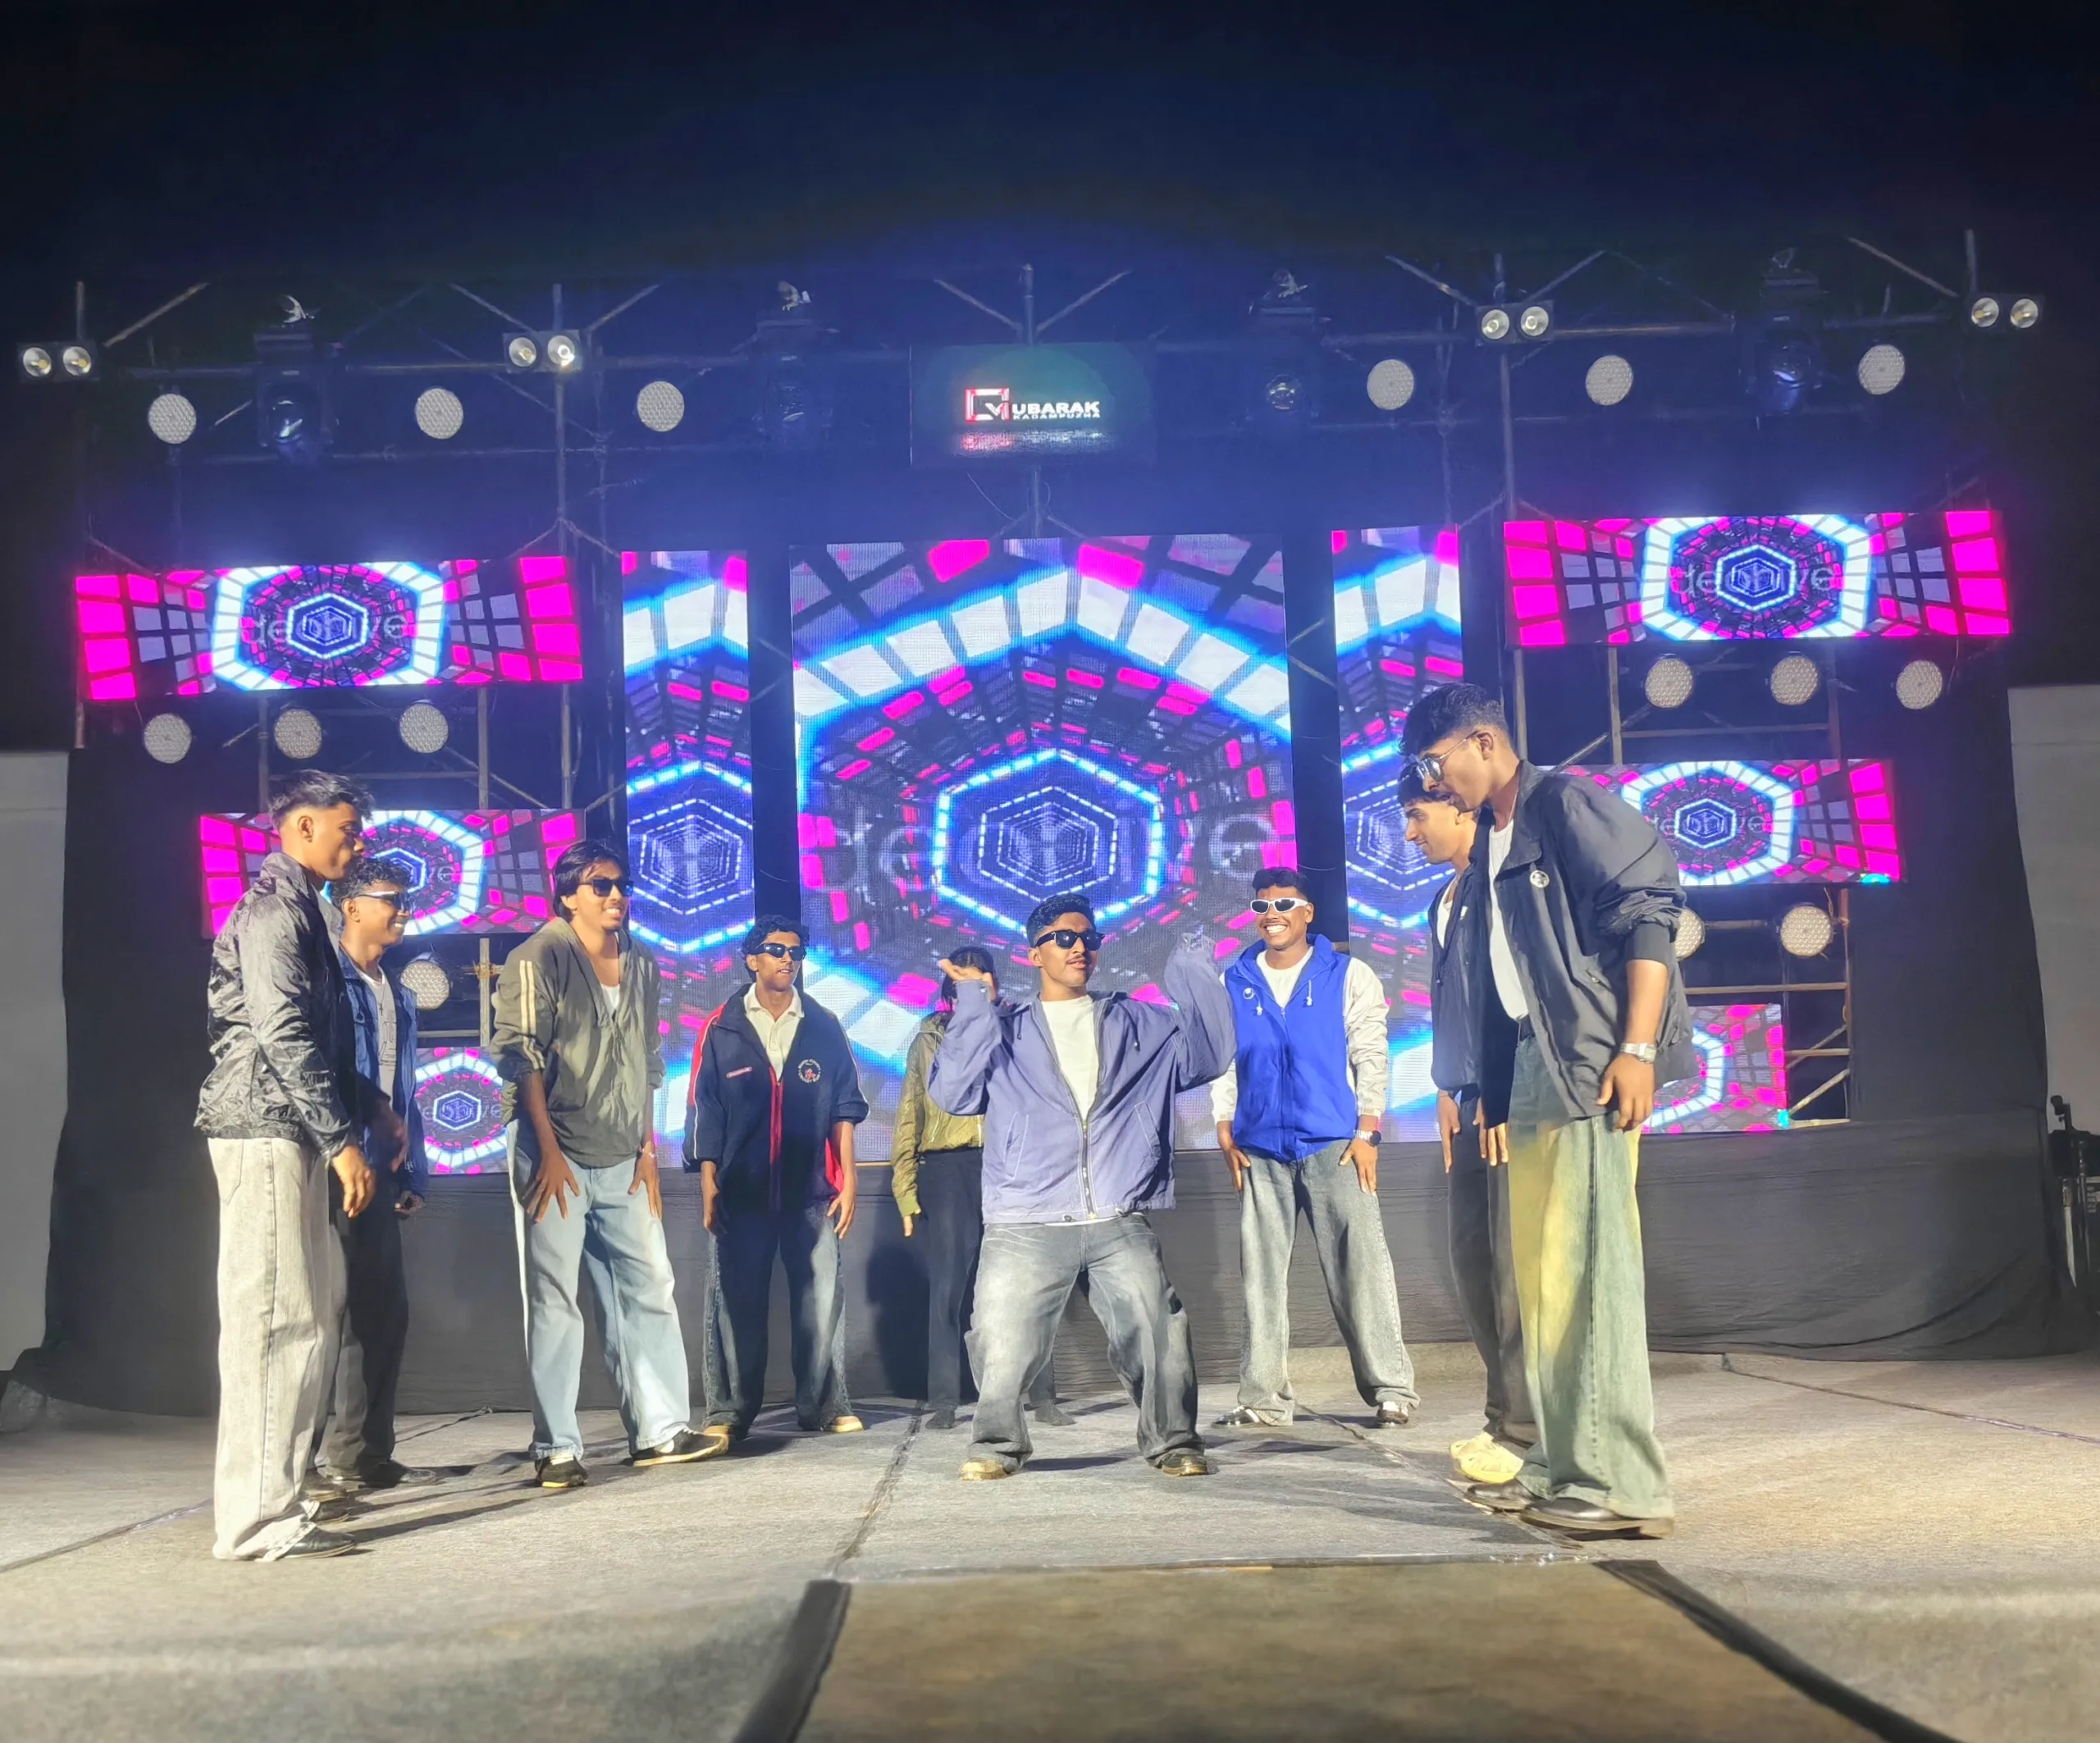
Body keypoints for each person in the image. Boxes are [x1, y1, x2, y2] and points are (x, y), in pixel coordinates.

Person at [1404, 682, 1689, 1539]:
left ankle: (1620, 1482)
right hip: (1531, 1064)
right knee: (1542, 1280)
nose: (1434, 782)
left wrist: (1637, 1048)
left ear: (1483, 742)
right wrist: (1492, 1090)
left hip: (1589, 1061)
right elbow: (1503, 979)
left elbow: (1648, 917)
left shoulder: (1562, 803)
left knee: (1590, 1270)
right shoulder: (1494, 837)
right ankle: (1557, 1463)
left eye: (1436, 763)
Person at [929, 893, 1235, 1481]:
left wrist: (1195, 964)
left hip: (1117, 1214)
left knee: (1159, 1331)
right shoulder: (1005, 1031)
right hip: (1027, 1217)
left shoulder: (1137, 1022)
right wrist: (973, 1005)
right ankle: (996, 1444)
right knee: (999, 1339)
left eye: (1088, 938)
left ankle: (1174, 1441)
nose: (1080, 948)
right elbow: (954, 1095)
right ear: (1034, 953)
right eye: (1065, 938)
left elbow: (1209, 1055)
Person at [196, 769, 399, 1560]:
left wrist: (369, 1106)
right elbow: (281, 1032)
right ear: (303, 826)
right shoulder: (273, 909)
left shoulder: (303, 908)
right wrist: (343, 1138)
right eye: (347, 827)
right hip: (263, 1127)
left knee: (309, 1317)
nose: (357, 841)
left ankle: (278, 1495)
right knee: (272, 1320)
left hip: (293, 1131)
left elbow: (317, 1036)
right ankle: (254, 1520)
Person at [493, 841, 714, 1489]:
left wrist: (648, 1150)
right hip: (554, 1148)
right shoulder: (538, 956)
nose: (616, 895)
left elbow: (646, 1058)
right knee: (555, 1299)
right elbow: (522, 1058)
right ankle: (557, 1447)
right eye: (600, 885)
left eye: (621, 885)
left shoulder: (641, 960)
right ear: (568, 895)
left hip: (623, 1152)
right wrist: (548, 1152)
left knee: (649, 1286)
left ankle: (660, 1429)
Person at [1211, 868, 1419, 1430]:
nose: (1271, 914)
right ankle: (1263, 1398)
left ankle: (1392, 1390)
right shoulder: (1235, 978)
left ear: (1308, 912)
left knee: (1361, 1266)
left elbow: (1371, 1050)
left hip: (1335, 1143)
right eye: (1262, 905)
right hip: (1259, 1146)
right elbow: (1224, 1059)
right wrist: (1224, 1122)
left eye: (1284, 903)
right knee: (1260, 1277)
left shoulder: (1347, 973)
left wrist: (1368, 1130)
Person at [686, 915, 869, 1442]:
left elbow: (845, 1106)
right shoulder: (721, 1026)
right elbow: (705, 1110)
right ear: (752, 959)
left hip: (812, 1193)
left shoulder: (823, 1024)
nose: (788, 959)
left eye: (796, 951)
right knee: (735, 1305)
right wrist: (709, 1182)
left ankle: (824, 1405)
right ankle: (729, 1412)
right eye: (776, 949)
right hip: (741, 1193)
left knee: (821, 1305)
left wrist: (849, 1179)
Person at [1402, 769, 1534, 1487]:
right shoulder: (1443, 898)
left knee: (1513, 1270)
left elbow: (1512, 998)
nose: (1410, 833)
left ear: (1460, 811)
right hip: (1465, 1097)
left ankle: (1524, 1432)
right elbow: (1450, 998)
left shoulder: (1499, 883)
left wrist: (1497, 1090)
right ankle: (1500, 1414)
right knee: (1474, 1261)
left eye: (1419, 815)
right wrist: (1446, 1084)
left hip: (1504, 1097)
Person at [892, 945, 1068, 1431]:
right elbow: (910, 1110)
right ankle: (944, 1400)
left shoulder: (1016, 1029)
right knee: (949, 1286)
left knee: (1028, 1282)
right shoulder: (930, 1037)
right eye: (965, 982)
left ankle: (1043, 1396)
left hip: (1009, 1163)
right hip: (948, 1168)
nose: (976, 989)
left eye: (984, 980)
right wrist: (905, 1187)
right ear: (951, 991)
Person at [313, 854, 436, 1496]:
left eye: (406, 900)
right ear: (351, 905)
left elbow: (405, 1091)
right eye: (391, 898)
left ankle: (365, 1453)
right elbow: (320, 1071)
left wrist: (414, 1168)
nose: (402, 911)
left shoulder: (400, 994)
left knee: (384, 1311)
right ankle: (310, 1463)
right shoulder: (327, 981)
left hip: (381, 1171)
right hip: (333, 1163)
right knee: (326, 1316)